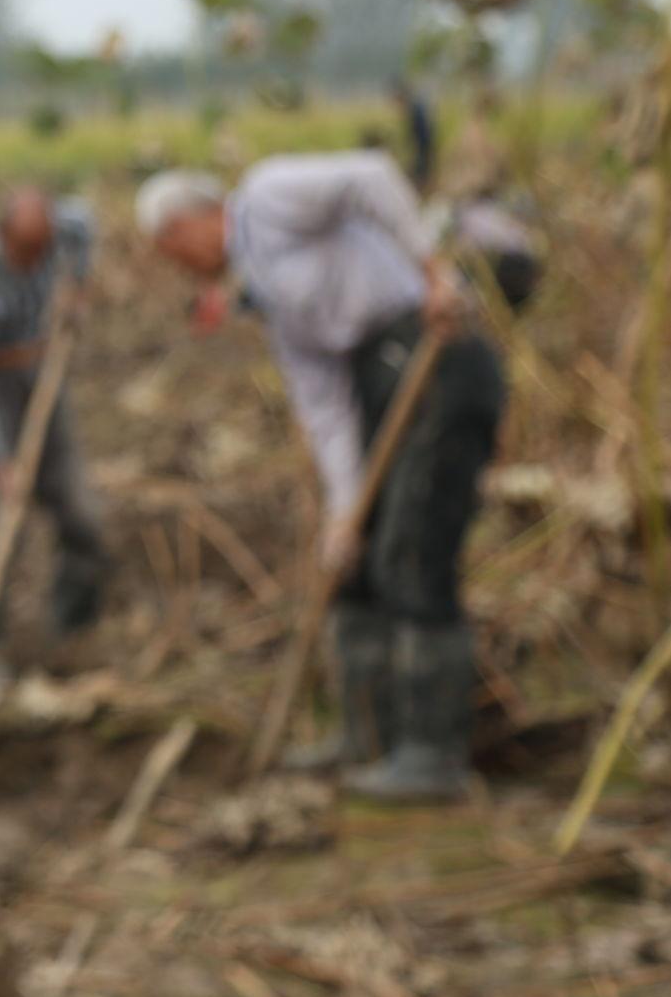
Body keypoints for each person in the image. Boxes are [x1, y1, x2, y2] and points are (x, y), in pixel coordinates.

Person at [137, 153, 505, 801]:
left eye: (170, 251)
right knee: (356, 565)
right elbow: (326, 409)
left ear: (188, 223)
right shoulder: (268, 300)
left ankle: (432, 756)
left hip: (435, 358)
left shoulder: (268, 197)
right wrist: (342, 513)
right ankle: (366, 734)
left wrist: (433, 269)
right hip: (374, 385)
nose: (178, 268)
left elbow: (371, 177)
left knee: (413, 554)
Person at [0, 187, 109, 640]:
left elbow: (84, 227)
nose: (38, 260)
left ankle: (76, 622)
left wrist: (79, 285)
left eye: (44, 249)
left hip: (43, 378)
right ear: (2, 236)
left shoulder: (63, 231)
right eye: (27, 250)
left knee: (78, 510)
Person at [389, 75, 436, 191]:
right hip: (424, 148)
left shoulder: (414, 109)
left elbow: (418, 134)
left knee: (418, 176)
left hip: (423, 148)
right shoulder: (416, 105)